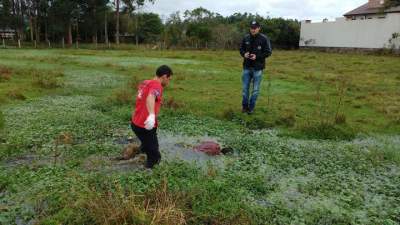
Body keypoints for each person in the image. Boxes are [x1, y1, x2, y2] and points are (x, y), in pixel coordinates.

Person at [131, 65, 173, 169]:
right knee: (155, 157)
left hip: (135, 123)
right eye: (169, 79)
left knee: (146, 145)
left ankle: (135, 152)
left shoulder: (145, 82)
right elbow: (150, 97)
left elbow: (146, 96)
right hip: (146, 126)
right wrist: (151, 115)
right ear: (164, 76)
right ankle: (146, 175)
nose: (168, 82)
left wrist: (158, 102)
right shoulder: (157, 85)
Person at [239, 21, 272, 114]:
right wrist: (244, 54)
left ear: (259, 28)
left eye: (255, 28)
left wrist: (257, 57)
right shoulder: (246, 37)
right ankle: (244, 107)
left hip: (258, 68)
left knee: (255, 90)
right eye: (251, 28)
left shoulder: (264, 39)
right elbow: (241, 49)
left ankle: (251, 107)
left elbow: (268, 52)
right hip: (246, 67)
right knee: (245, 89)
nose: (253, 29)